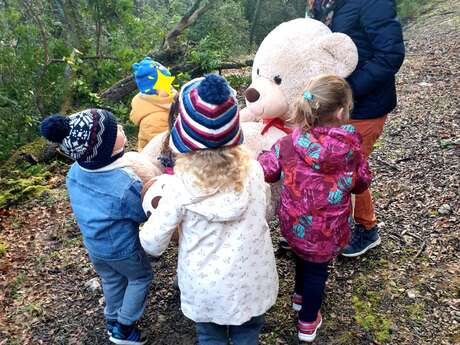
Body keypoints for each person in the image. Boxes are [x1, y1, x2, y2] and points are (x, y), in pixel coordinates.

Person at [139, 74, 279, 345]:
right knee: (248, 333)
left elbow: (152, 243)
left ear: (184, 135)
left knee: (209, 336)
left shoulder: (180, 186)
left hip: (206, 288)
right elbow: (263, 211)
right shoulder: (254, 170)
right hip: (251, 280)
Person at [258, 75, 372, 342]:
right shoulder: (351, 148)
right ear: (342, 110)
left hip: (294, 224)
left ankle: (300, 300)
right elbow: (361, 183)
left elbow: (267, 171)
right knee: (317, 271)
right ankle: (307, 321)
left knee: (301, 255)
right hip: (328, 230)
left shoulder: (287, 144)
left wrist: (260, 156)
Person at [40, 109, 152, 345]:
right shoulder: (124, 184)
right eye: (116, 130)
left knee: (111, 280)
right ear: (105, 149)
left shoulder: (74, 173)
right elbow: (142, 213)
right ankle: (124, 326)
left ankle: (112, 318)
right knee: (140, 277)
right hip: (123, 248)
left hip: (94, 246)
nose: (121, 128)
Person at [306, 0, 405, 256]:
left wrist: (347, 93)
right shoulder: (321, 5)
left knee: (347, 169)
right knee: (337, 166)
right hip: (332, 104)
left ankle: (365, 229)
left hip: (364, 106)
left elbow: (390, 54)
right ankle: (329, 226)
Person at [130, 57, 176, 150]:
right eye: (165, 84)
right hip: (157, 162)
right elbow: (166, 148)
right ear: (153, 91)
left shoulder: (167, 105)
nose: (170, 87)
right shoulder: (153, 119)